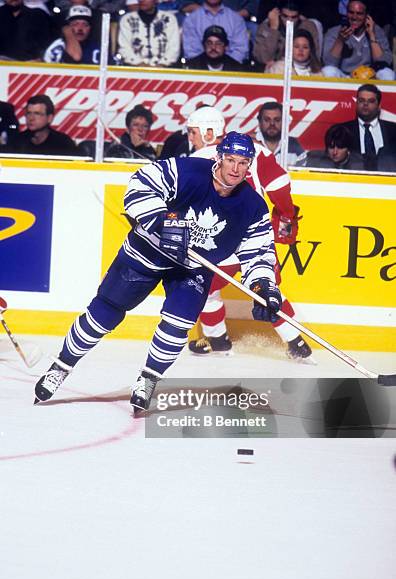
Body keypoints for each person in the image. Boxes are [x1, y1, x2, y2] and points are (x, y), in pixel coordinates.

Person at [34, 132, 283, 415]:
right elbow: (141, 182)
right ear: (219, 157)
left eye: (243, 162)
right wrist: (161, 220)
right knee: (105, 312)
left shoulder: (253, 206)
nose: (235, 169)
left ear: (249, 165)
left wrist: (264, 286)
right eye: (230, 160)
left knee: (178, 325)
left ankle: (148, 378)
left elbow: (259, 252)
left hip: (192, 267)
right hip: (147, 252)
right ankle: (61, 366)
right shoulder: (188, 170)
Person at [186, 106, 313, 362]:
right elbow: (279, 184)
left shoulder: (199, 158)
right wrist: (286, 216)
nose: (190, 138)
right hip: (256, 235)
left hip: (221, 240)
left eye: (192, 132)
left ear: (208, 132)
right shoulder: (253, 149)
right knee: (266, 288)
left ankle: (218, 341)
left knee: (204, 286)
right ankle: (297, 342)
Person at [322, 0, 394, 80]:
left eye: (359, 13)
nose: (354, 17)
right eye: (351, 12)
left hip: (370, 77)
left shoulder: (377, 31)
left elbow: (383, 62)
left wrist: (371, 35)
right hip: (345, 76)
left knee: (388, 74)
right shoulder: (334, 32)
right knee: (327, 71)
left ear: (367, 15)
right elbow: (329, 63)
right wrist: (340, 41)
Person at [335, 83, 396, 171]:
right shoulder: (343, 130)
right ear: (356, 103)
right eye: (361, 100)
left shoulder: (393, 130)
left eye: (371, 101)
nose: (365, 104)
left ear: (379, 106)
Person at [253, 0, 320, 70]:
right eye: (285, 16)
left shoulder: (308, 27)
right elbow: (264, 58)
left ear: (299, 16)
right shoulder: (266, 27)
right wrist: (273, 29)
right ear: (278, 14)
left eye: (293, 17)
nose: (289, 20)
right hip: (275, 71)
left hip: (303, 69)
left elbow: (315, 57)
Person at [182, 0, 249, 64]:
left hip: (230, 70)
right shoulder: (191, 20)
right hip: (201, 70)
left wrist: (225, 67)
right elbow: (191, 52)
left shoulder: (236, 19)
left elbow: (241, 50)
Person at [117, 0, 181, 67]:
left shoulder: (169, 19)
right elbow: (124, 46)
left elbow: (174, 46)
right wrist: (139, 64)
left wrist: (163, 64)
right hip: (134, 69)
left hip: (164, 69)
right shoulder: (127, 19)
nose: (142, 1)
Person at [255, 101, 305, 166]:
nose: (272, 124)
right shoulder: (250, 143)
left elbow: (303, 174)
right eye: (267, 120)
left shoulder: (294, 146)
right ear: (259, 122)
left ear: (284, 122)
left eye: (277, 120)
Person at [295, 124, 365, 170]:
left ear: (348, 149)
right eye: (331, 147)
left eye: (340, 148)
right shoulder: (312, 159)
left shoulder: (359, 164)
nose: (335, 152)